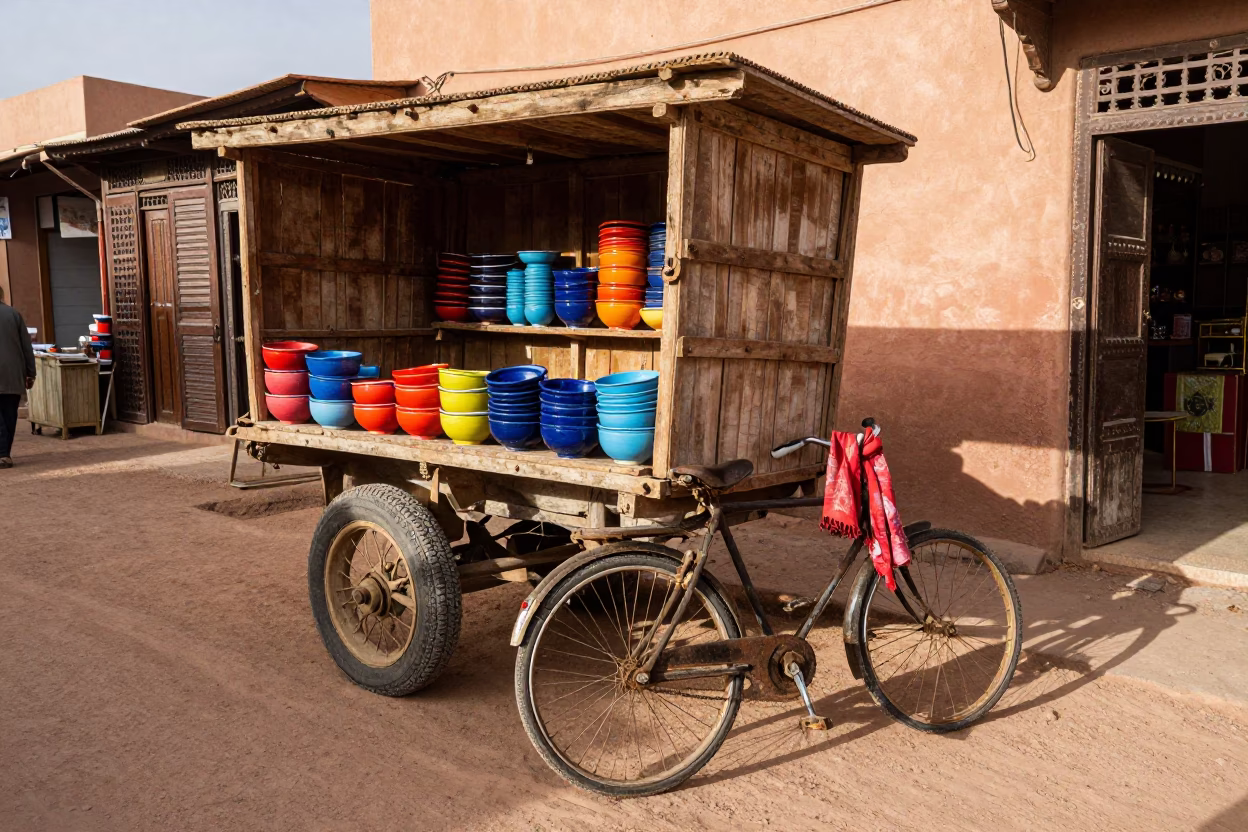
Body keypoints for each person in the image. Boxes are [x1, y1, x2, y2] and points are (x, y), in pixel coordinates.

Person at [0, 285, 36, 468]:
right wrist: (31, 372)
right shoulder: (14, 315)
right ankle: (4, 454)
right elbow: (26, 346)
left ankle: (2, 453)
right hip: (12, 373)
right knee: (9, 414)